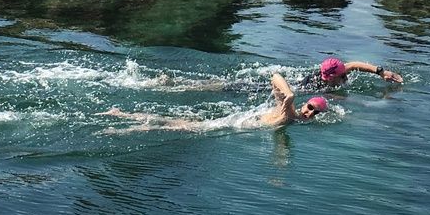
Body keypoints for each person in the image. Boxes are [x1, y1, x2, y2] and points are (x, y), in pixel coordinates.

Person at [104, 73, 327, 131]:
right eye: (310, 108)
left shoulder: (290, 117)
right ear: (304, 104)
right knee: (178, 125)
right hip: (229, 124)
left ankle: (122, 115)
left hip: (233, 121)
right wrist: (290, 93)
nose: (310, 114)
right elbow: (275, 76)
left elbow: (281, 149)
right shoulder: (288, 110)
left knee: (175, 122)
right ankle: (123, 124)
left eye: (315, 113)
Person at [311, 57, 403, 88]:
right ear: (331, 78)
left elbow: (353, 65)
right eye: (343, 76)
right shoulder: (316, 87)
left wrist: (381, 72)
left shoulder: (332, 73)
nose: (346, 77)